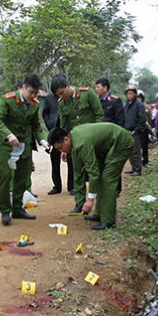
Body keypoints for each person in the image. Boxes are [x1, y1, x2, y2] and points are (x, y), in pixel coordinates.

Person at [47, 123, 134, 230]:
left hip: (121, 144)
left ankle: (108, 221)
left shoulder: (81, 144)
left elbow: (93, 173)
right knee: (102, 177)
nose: (62, 151)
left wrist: (90, 200)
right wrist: (65, 150)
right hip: (108, 146)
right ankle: (99, 214)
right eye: (59, 150)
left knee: (107, 179)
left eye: (61, 148)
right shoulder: (74, 136)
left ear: (66, 139)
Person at [0, 73, 48, 226]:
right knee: (5, 176)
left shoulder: (35, 104)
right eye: (31, 92)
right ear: (23, 87)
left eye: (36, 93)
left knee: (22, 178)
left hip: (24, 145)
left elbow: (36, 125)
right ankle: (5, 210)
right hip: (6, 146)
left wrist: (42, 139)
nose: (33, 96)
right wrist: (9, 135)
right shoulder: (7, 100)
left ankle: (17, 208)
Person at [52, 74, 103, 214]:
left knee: (96, 171)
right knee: (77, 173)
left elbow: (99, 114)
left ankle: (99, 204)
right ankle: (79, 203)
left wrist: (97, 135)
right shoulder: (62, 103)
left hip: (93, 140)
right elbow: (62, 126)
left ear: (68, 86)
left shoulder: (88, 94)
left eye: (62, 92)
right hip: (76, 142)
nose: (62, 96)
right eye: (59, 95)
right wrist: (63, 148)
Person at [95, 77, 125, 196]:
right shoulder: (96, 101)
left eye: (98, 87)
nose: (96, 89)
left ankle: (116, 189)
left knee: (113, 163)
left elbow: (120, 120)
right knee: (101, 163)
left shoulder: (114, 100)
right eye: (96, 87)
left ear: (105, 88)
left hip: (112, 137)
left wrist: (117, 137)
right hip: (100, 137)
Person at [41, 91, 73, 195]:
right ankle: (57, 186)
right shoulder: (49, 98)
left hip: (65, 133)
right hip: (54, 133)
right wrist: (49, 124)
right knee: (54, 162)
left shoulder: (69, 97)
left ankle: (71, 186)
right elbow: (45, 113)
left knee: (70, 160)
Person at [123, 85, 147, 176]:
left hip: (135, 131)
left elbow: (142, 120)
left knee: (136, 151)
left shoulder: (139, 105)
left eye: (131, 93)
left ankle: (138, 169)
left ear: (135, 94)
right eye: (128, 93)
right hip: (126, 130)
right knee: (129, 151)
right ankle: (133, 168)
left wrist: (137, 130)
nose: (129, 95)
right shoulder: (126, 104)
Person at [137, 91, 153, 168]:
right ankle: (137, 163)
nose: (138, 99)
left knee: (144, 146)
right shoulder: (132, 107)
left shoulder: (147, 107)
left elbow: (150, 118)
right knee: (136, 148)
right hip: (136, 130)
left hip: (144, 129)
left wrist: (148, 126)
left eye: (140, 97)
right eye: (137, 97)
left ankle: (145, 161)